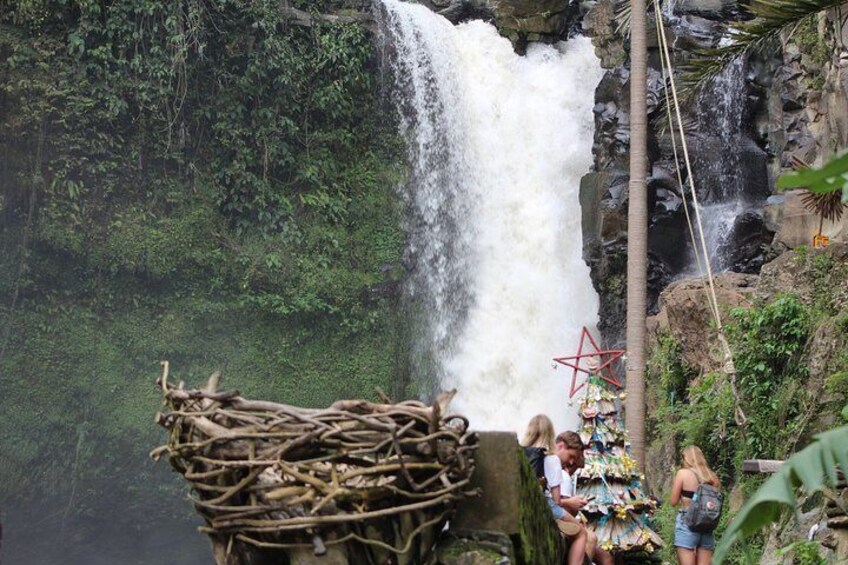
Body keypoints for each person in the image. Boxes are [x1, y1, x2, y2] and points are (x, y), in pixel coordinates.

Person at [522, 415, 588, 565]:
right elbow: (556, 500)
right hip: (545, 505)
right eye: (571, 456)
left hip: (524, 501)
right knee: (581, 534)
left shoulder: (521, 452)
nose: (571, 462)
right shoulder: (552, 459)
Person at [556, 431, 614, 565]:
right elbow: (559, 506)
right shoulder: (563, 476)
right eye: (573, 462)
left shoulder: (559, 472)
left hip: (564, 519)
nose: (571, 464)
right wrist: (571, 504)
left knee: (606, 556)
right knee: (589, 537)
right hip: (562, 522)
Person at [670, 445, 721, 565]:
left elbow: (673, 502)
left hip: (687, 523)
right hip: (707, 525)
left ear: (687, 459)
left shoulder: (682, 474)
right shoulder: (712, 476)